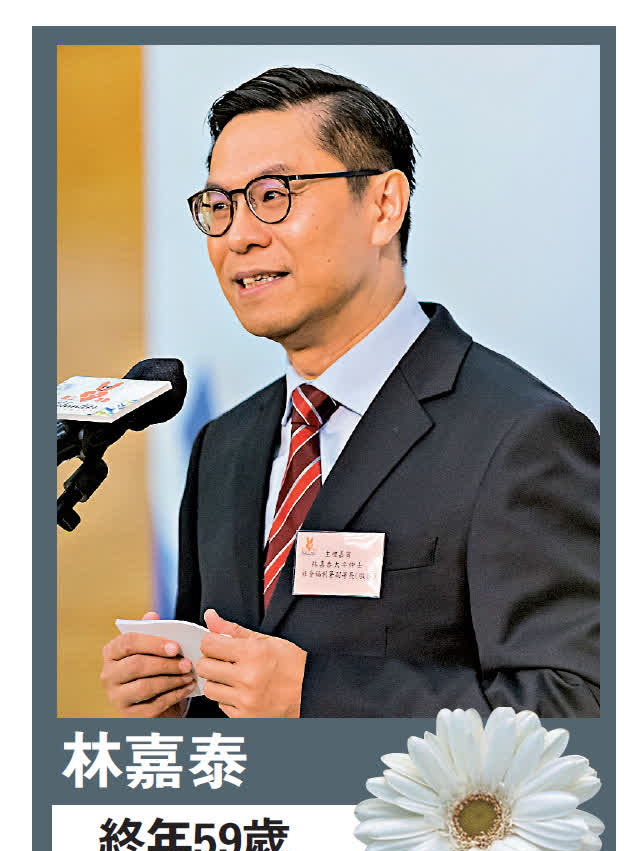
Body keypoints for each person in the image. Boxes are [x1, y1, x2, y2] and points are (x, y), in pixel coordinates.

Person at [100, 67, 600, 719]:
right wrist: (178, 704)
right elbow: (236, 702)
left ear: (384, 205)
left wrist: (312, 696)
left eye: (273, 195)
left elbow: (582, 705)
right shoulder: (224, 445)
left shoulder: (519, 438)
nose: (239, 235)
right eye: (219, 206)